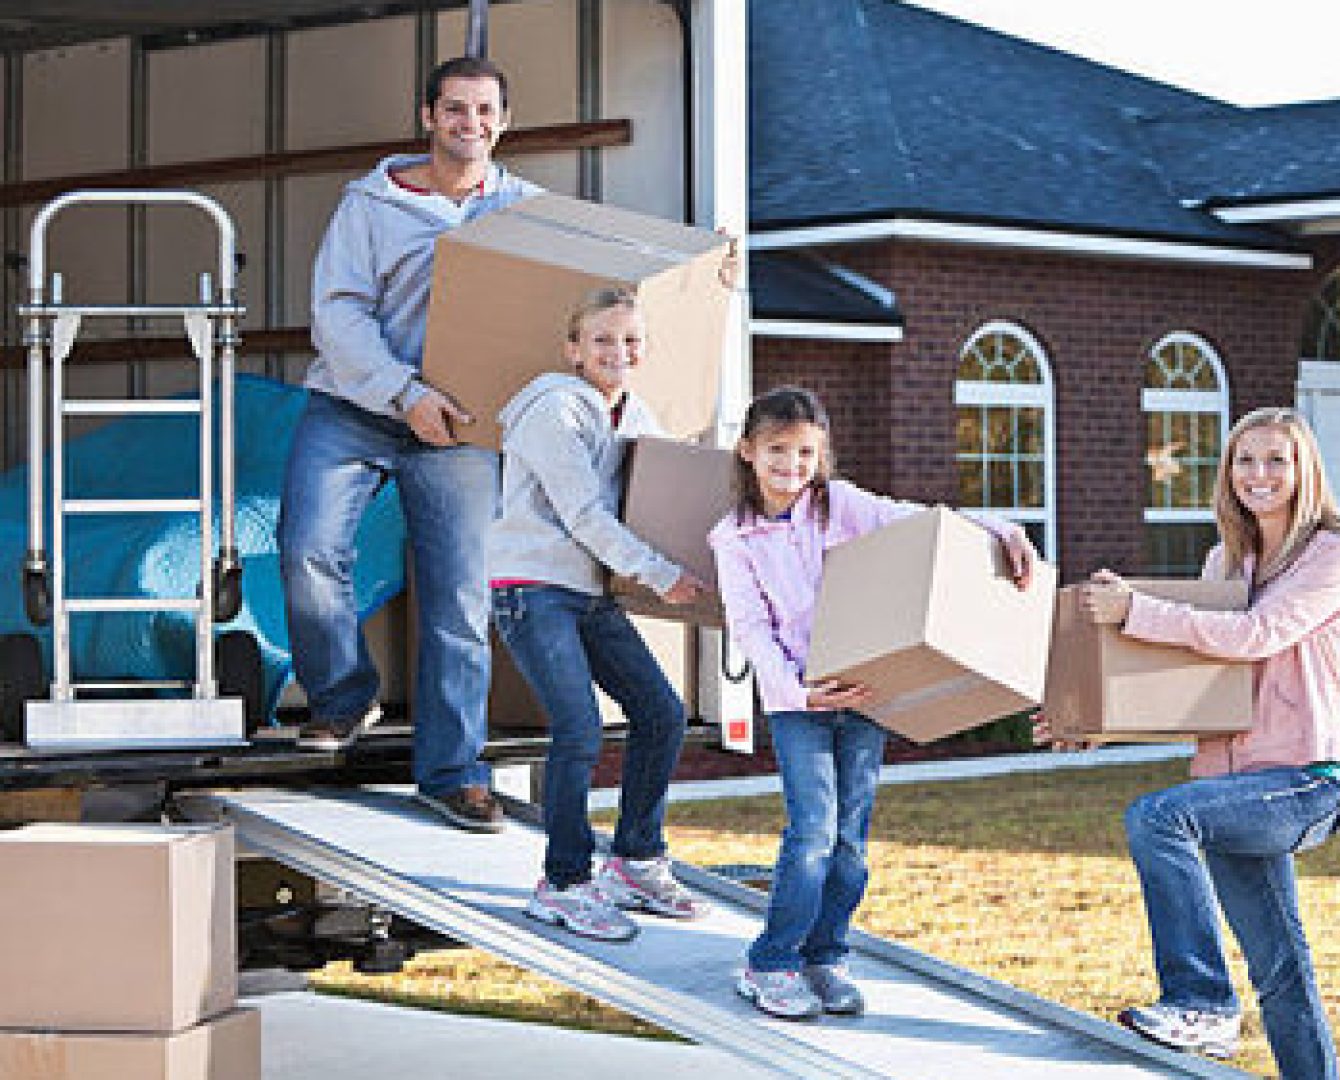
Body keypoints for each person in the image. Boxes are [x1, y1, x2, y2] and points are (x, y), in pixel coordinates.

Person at [1046, 406, 1340, 1076]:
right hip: (1230, 786)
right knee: (1281, 971)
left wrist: (1136, 608)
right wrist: (1093, 725)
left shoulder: (1337, 553)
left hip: (1310, 777)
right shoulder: (1225, 559)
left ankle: (1200, 1001)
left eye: (1276, 459)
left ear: (1305, 468)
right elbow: (1199, 673)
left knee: (1159, 817)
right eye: (1245, 460)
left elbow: (1257, 634)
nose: (1259, 474)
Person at [710, 386, 1038, 1020]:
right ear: (748, 452)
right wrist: (799, 690)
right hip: (798, 701)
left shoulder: (840, 506)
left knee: (851, 841)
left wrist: (1000, 529)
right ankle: (771, 962)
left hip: (863, 693)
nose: (791, 465)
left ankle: (825, 957)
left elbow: (917, 521)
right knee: (812, 834)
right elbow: (750, 628)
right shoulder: (734, 540)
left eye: (805, 452)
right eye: (777, 450)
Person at [281, 56, 537, 832]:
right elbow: (338, 314)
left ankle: (453, 772)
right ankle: (343, 696)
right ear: (427, 116)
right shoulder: (370, 205)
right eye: (455, 110)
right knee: (307, 550)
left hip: (459, 426)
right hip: (357, 404)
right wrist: (404, 392)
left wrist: (715, 265)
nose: (471, 125)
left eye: (485, 112)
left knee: (459, 599)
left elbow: (600, 284)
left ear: (502, 122)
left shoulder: (528, 210)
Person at [490, 287, 716, 940]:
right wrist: (662, 574)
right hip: (532, 587)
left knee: (662, 713)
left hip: (590, 591)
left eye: (631, 340)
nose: (619, 352)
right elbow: (584, 513)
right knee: (579, 728)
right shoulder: (552, 411)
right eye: (603, 341)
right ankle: (562, 882)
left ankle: (636, 860)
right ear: (574, 350)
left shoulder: (636, 415)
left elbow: (668, 492)